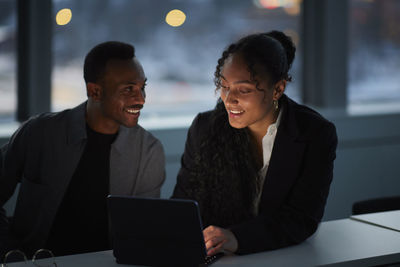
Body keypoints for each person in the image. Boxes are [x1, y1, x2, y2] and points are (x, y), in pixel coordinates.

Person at [172, 31, 338, 255]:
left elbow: (301, 218)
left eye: (244, 90)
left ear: (278, 89)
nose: (229, 100)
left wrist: (236, 238)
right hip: (215, 257)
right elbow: (184, 207)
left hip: (283, 257)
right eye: (224, 86)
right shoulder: (205, 128)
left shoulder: (315, 133)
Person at [0, 41, 165, 258]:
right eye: (128, 89)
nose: (141, 99)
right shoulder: (38, 133)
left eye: (143, 87)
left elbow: (144, 233)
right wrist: (9, 250)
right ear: (95, 91)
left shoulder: (149, 151)